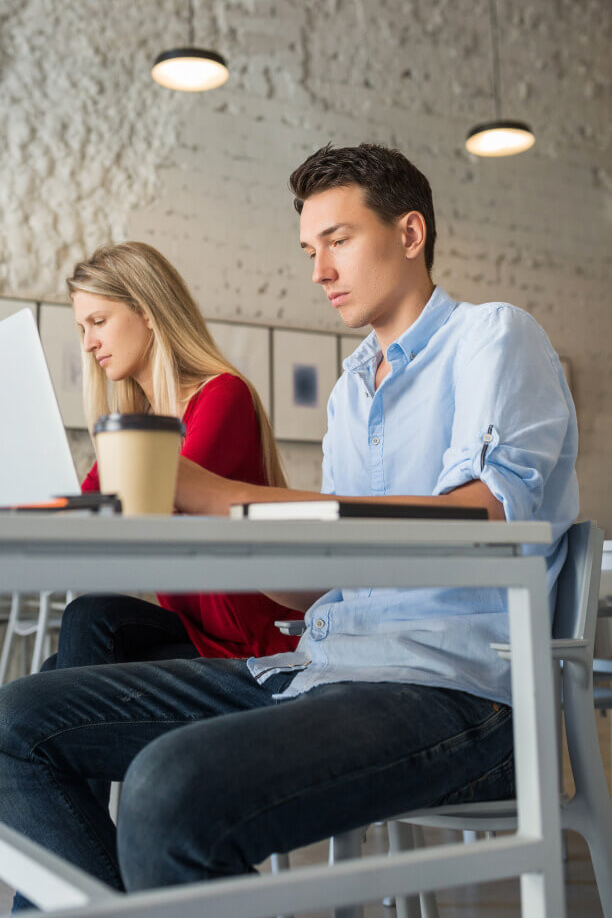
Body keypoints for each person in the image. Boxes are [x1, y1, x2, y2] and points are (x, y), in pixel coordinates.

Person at [0, 144, 578, 906]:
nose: (318, 271)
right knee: (16, 724)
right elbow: (313, 590)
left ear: (410, 234)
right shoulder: (349, 391)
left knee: (166, 789)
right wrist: (221, 533)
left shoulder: (493, 337)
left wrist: (214, 495)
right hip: (321, 669)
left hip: (458, 691)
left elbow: (485, 517)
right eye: (310, 250)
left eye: (337, 241)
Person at [49, 241, 301, 678]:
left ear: (147, 311)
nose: (89, 343)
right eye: (83, 328)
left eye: (98, 322)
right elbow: (84, 513)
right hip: (194, 633)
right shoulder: (136, 424)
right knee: (51, 673)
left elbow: (157, 511)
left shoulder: (222, 395)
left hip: (242, 646)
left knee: (90, 621)